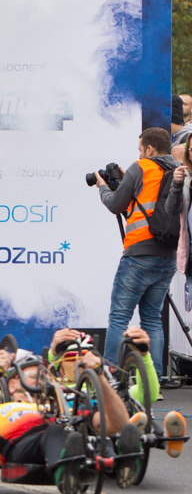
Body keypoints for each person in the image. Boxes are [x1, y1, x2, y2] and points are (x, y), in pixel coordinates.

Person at [0, 332, 146, 494]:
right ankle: (66, 472)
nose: (42, 381)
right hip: (23, 446)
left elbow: (116, 425)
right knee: (54, 431)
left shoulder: (65, 407)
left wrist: (100, 377)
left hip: (71, 437)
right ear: (12, 385)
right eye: (33, 376)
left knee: (100, 434)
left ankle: (123, 463)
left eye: (46, 376)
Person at [95, 127, 183, 367]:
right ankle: (154, 382)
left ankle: (111, 375)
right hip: (168, 255)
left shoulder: (141, 167)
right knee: (152, 319)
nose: (140, 153)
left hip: (139, 254)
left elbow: (115, 205)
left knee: (119, 318)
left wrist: (102, 187)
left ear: (150, 148)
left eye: (140, 149)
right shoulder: (177, 170)